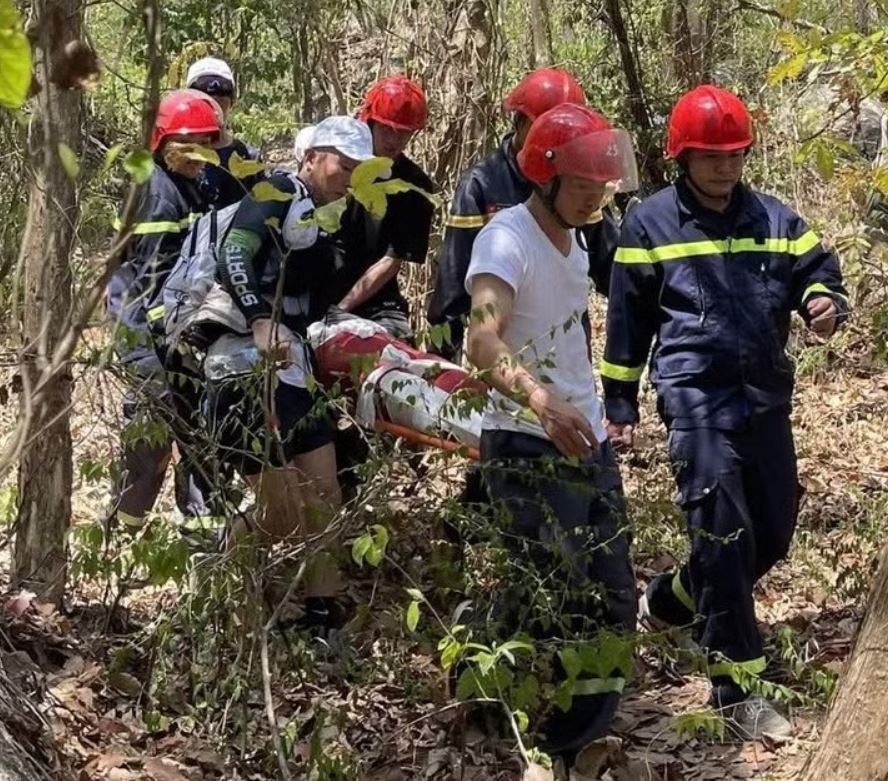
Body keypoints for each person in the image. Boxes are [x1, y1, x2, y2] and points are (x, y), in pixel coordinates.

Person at [599, 85, 850, 741]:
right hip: (694, 397)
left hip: (766, 395)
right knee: (723, 532)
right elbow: (626, 324)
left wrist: (824, 302)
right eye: (710, 155)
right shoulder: (648, 225)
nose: (724, 166)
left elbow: (819, 270)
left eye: (735, 153)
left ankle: (670, 599)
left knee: (773, 531)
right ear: (682, 155)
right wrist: (619, 403)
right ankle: (738, 687)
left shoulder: (774, 219)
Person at [465, 104, 639, 765]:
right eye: (583, 189)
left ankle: (578, 733)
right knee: (551, 593)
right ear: (544, 176)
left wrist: (587, 411)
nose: (594, 202)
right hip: (526, 441)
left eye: (602, 190)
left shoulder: (580, 242)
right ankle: (519, 720)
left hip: (585, 436)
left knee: (613, 589)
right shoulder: (505, 240)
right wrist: (539, 402)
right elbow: (481, 338)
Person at [194, 116, 375, 635]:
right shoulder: (274, 191)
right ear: (313, 156)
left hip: (293, 366)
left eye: (357, 168)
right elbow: (235, 253)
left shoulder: (324, 217)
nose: (348, 176)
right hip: (240, 364)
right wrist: (258, 319)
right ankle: (224, 586)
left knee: (325, 497)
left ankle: (322, 617)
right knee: (282, 514)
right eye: (343, 165)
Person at [427, 67, 618, 361]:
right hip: (508, 363)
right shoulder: (482, 184)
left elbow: (611, 269)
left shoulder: (580, 182)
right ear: (520, 122)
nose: (556, 138)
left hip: (569, 358)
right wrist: (440, 364)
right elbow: (453, 286)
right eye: (545, 125)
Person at [104, 89, 227, 532]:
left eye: (206, 143)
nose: (200, 154)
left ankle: (201, 538)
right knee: (151, 442)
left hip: (176, 330)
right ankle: (120, 536)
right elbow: (151, 283)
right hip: (145, 332)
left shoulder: (192, 183)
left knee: (200, 434)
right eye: (188, 144)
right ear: (163, 143)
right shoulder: (158, 194)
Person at [327, 74, 437, 340]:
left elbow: (392, 260)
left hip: (377, 303)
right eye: (387, 130)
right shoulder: (332, 163)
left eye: (404, 133)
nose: (394, 141)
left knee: (395, 347)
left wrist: (341, 311)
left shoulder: (415, 186)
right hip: (319, 287)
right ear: (370, 122)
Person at [185, 57, 263, 209]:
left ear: (232, 101)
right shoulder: (179, 155)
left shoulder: (248, 156)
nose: (213, 107)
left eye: (221, 99)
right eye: (205, 99)